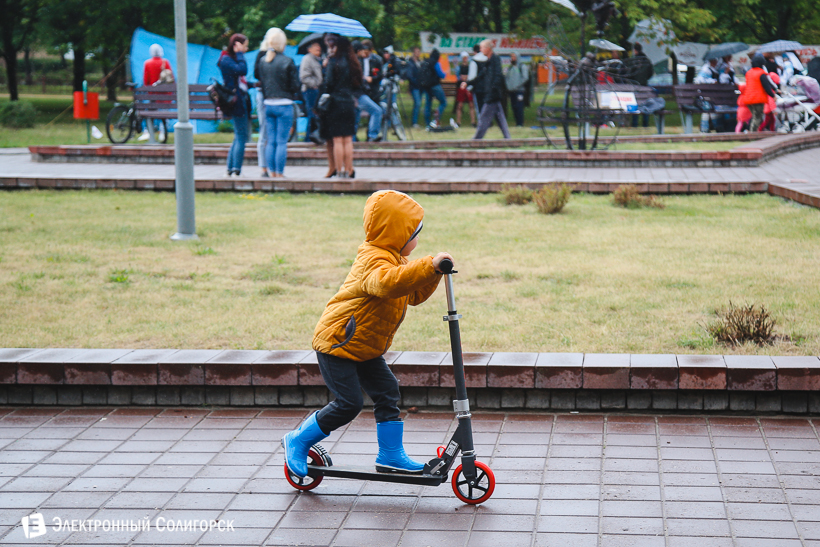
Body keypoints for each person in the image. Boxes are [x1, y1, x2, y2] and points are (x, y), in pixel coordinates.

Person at [281, 189, 454, 478]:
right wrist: (427, 264)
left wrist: (433, 272)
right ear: (398, 233)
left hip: (364, 346)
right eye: (415, 234)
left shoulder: (395, 259)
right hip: (338, 343)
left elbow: (411, 295)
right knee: (349, 404)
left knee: (387, 391)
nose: (417, 241)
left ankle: (390, 454)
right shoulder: (373, 259)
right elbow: (387, 284)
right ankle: (298, 440)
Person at [256, 28, 300, 178]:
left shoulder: (263, 61)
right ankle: (280, 173)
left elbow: (261, 82)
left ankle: (272, 172)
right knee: (281, 142)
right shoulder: (288, 61)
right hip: (284, 104)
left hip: (268, 104)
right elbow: (295, 85)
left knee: (271, 141)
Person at [321, 34, 361, 178]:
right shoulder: (353, 63)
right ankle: (349, 169)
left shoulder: (333, 61)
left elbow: (328, 83)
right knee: (348, 139)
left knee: (337, 139)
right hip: (349, 102)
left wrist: (325, 68)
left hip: (336, 103)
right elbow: (358, 84)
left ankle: (339, 170)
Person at [218, 33, 251, 177]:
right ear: (237, 45)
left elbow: (238, 78)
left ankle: (231, 168)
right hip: (236, 102)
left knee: (238, 135)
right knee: (242, 136)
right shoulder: (226, 59)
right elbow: (242, 70)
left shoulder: (228, 59)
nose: (246, 49)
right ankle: (236, 169)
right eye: (245, 45)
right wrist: (240, 54)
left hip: (238, 99)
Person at [473, 39, 511, 140]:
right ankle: (508, 138)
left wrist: (493, 89)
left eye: (482, 48)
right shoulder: (488, 61)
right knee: (500, 118)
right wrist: (469, 83)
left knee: (483, 117)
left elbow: (498, 75)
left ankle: (476, 140)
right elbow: (481, 76)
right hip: (491, 93)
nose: (481, 50)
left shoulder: (495, 60)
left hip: (493, 94)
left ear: (488, 48)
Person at [139, 44, 173, 142]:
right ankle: (162, 132)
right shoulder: (165, 62)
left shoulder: (147, 63)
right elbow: (171, 78)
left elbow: (146, 80)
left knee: (151, 113)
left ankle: (148, 131)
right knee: (164, 114)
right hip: (165, 95)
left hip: (153, 94)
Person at [353, 40, 383, 142]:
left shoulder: (376, 60)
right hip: (359, 91)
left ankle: (370, 135)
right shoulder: (356, 60)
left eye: (366, 52)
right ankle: (355, 137)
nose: (364, 54)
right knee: (358, 113)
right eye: (362, 51)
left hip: (372, 89)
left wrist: (372, 79)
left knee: (373, 111)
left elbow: (380, 74)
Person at [300, 39, 324, 144]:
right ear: (309, 49)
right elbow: (304, 77)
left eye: (319, 46)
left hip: (318, 91)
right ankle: (309, 138)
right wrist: (314, 85)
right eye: (315, 46)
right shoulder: (307, 59)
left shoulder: (320, 59)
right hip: (310, 90)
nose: (318, 48)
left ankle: (315, 136)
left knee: (317, 114)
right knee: (312, 114)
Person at [745, 54, 776, 132]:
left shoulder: (748, 73)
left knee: (754, 116)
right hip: (757, 99)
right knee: (758, 117)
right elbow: (767, 87)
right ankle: (753, 133)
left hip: (748, 99)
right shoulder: (761, 73)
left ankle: (752, 131)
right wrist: (773, 95)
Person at [627, 43, 653, 128]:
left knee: (635, 104)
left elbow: (630, 74)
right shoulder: (647, 60)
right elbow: (650, 73)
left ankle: (635, 123)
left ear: (635, 50)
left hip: (635, 85)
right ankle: (645, 123)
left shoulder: (633, 61)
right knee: (645, 104)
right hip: (645, 85)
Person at [421, 48, 447, 127]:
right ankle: (435, 119)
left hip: (426, 86)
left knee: (428, 104)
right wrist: (445, 74)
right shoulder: (436, 63)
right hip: (435, 85)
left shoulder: (425, 62)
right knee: (443, 102)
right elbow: (441, 75)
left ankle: (427, 124)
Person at [505, 52, 529, 127]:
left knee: (519, 107)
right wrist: (508, 86)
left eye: (514, 56)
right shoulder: (510, 67)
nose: (512, 58)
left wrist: (517, 85)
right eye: (511, 56)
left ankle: (520, 123)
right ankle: (517, 122)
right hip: (511, 91)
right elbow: (507, 78)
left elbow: (525, 77)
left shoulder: (522, 66)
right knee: (514, 107)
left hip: (519, 91)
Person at [454, 52, 475, 127]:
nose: (465, 59)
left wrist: (465, 77)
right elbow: (459, 77)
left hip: (468, 87)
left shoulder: (470, 67)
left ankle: (473, 122)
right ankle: (458, 122)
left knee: (471, 105)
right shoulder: (459, 67)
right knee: (460, 105)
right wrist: (465, 77)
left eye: (466, 57)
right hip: (461, 88)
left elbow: (469, 77)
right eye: (464, 57)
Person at [404, 47, 424, 128]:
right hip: (414, 86)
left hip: (420, 87)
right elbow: (409, 75)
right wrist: (415, 82)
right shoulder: (410, 63)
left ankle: (415, 121)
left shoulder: (420, 62)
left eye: (419, 51)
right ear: (414, 52)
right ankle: (414, 122)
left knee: (418, 104)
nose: (418, 53)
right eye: (417, 52)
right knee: (417, 103)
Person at [467, 44, 488, 114]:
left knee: (479, 108)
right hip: (487, 87)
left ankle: (481, 120)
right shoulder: (487, 59)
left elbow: (472, 76)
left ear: (474, 51)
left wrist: (469, 88)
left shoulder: (474, 60)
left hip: (478, 88)